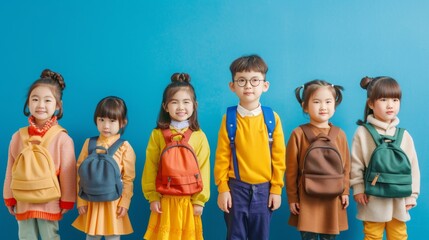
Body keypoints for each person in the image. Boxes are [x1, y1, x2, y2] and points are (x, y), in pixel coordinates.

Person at [214, 54, 286, 240]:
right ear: (232, 86)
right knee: (235, 236)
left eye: (255, 80)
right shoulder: (229, 119)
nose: (248, 86)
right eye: (242, 80)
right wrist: (223, 189)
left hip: (264, 190)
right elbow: (222, 157)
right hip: (236, 189)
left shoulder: (272, 119)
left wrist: (276, 189)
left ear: (265, 85)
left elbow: (279, 158)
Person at [3, 69, 76, 239]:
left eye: (47, 100)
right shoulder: (17, 136)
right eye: (35, 99)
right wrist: (8, 197)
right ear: (28, 103)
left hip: (49, 201)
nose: (40, 105)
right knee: (26, 235)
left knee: (50, 235)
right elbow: (10, 170)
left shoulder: (63, 139)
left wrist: (67, 200)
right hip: (23, 199)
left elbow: (68, 173)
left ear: (58, 105)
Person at [142, 73, 210, 240]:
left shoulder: (199, 136)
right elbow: (151, 166)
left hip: (189, 202)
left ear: (195, 105)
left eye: (186, 102)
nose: (181, 107)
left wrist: (199, 201)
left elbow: (204, 169)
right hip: (164, 201)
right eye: (174, 102)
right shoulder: (157, 134)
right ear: (165, 106)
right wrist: (153, 197)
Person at [350, 76, 420, 240]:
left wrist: (412, 195)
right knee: (372, 235)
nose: (390, 105)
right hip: (373, 196)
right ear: (371, 104)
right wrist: (358, 188)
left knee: (399, 235)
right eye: (383, 99)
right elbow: (356, 164)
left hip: (399, 196)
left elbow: (413, 167)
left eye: (395, 100)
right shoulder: (363, 132)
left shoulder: (404, 135)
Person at [286, 80, 350, 240]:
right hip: (307, 196)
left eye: (328, 102)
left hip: (334, 195)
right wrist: (293, 197)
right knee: (309, 236)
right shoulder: (298, 134)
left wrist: (345, 191)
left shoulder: (340, 134)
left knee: (330, 237)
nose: (323, 107)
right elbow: (291, 170)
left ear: (334, 105)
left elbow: (346, 167)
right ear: (305, 106)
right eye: (316, 102)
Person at [72, 96, 136, 240]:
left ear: (122, 122)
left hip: (114, 203)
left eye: (112, 121)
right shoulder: (89, 143)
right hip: (91, 201)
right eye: (101, 120)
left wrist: (125, 202)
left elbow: (128, 179)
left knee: (113, 236)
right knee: (91, 236)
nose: (106, 125)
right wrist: (81, 200)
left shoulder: (125, 147)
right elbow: (79, 174)